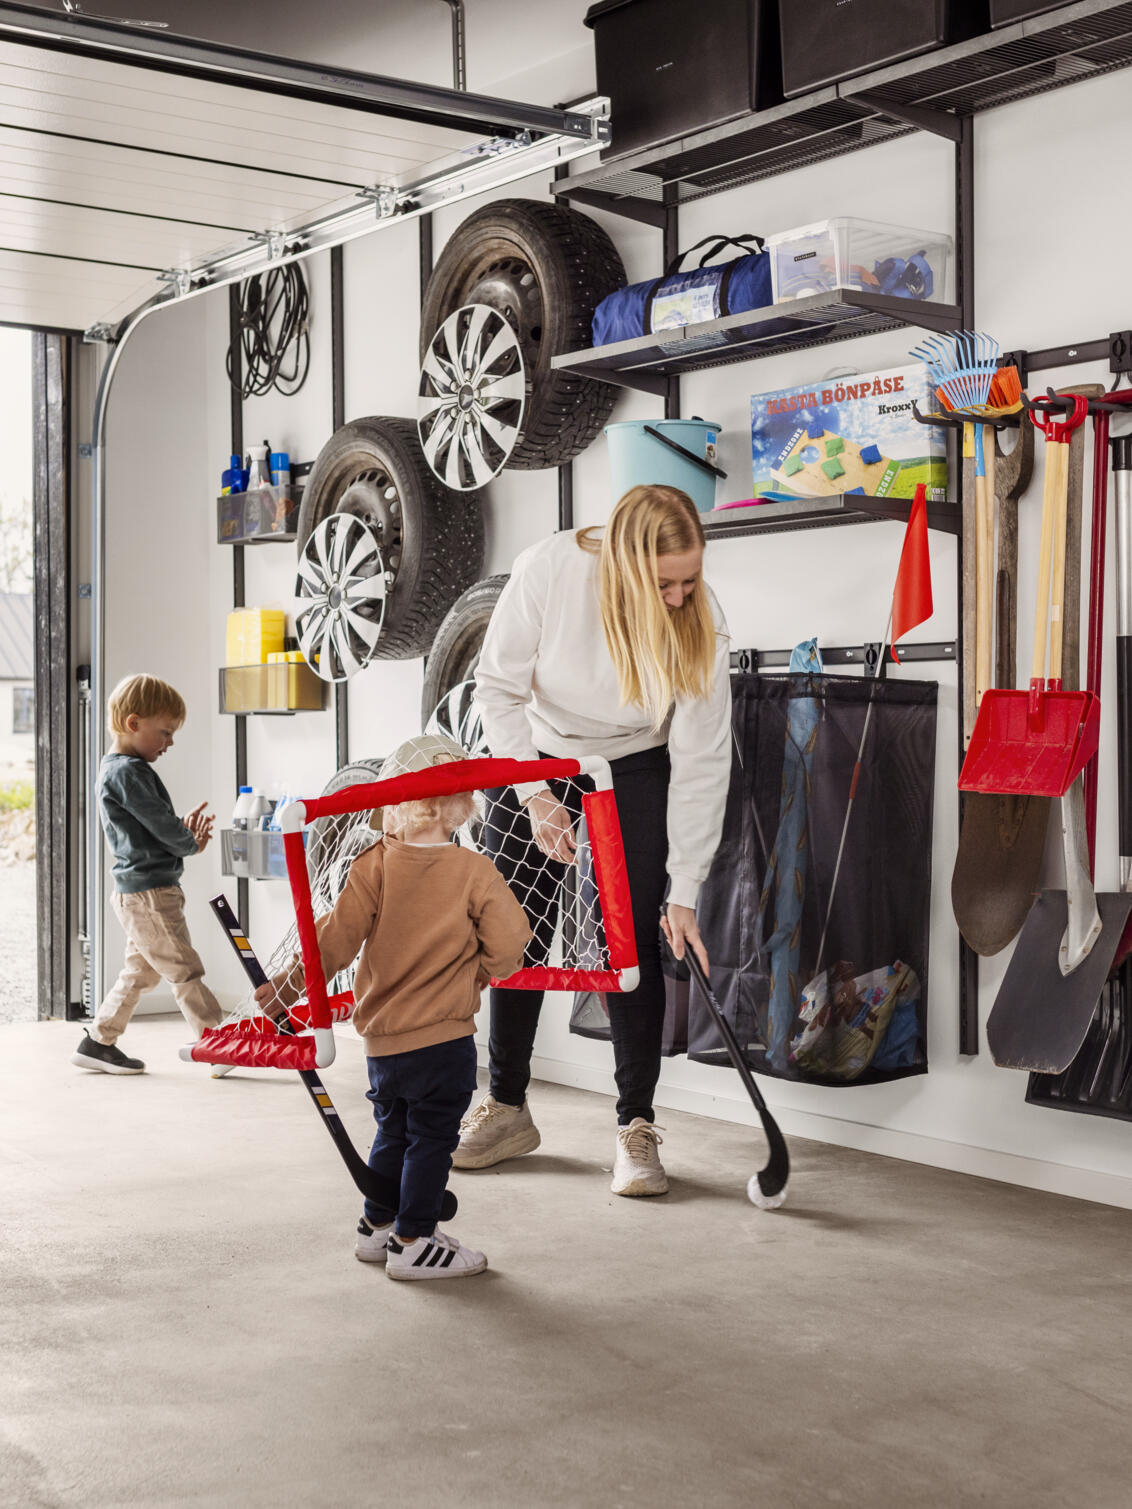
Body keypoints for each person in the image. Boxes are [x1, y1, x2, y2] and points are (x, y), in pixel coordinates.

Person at [458, 484, 732, 1197]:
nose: (680, 596)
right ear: (624, 570)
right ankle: (509, 1106)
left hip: (635, 759)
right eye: (664, 583)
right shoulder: (550, 569)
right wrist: (535, 795)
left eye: (690, 580)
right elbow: (496, 687)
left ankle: (636, 1125)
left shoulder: (701, 619)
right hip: (539, 751)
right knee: (513, 928)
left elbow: (703, 762)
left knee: (634, 939)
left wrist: (686, 889)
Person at [255, 734, 531, 1281]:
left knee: (392, 1131)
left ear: (396, 803)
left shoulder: (373, 864)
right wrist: (485, 969)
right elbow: (511, 943)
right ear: (460, 804)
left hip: (382, 1042)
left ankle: (376, 1226)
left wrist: (288, 985)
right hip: (443, 1040)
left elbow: (332, 941)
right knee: (432, 1141)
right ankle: (414, 1241)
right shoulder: (473, 871)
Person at [73, 674, 220, 1076]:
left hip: (139, 892)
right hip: (150, 894)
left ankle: (97, 1042)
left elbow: (154, 825)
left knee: (140, 972)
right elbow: (162, 826)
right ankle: (216, 1042)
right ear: (134, 723)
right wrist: (189, 840)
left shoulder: (121, 770)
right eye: (165, 732)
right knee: (185, 969)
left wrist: (180, 833)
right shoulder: (127, 772)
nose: (169, 743)